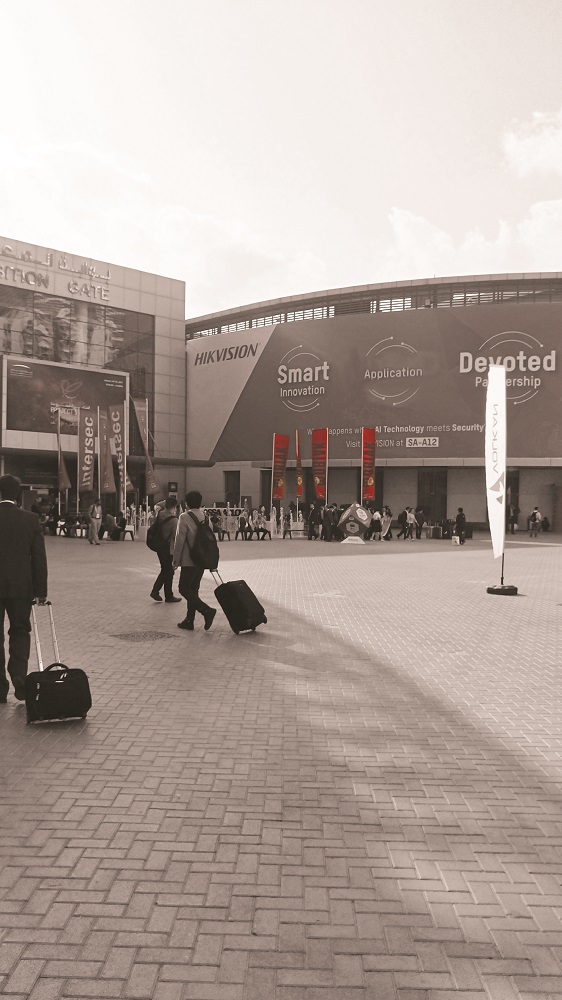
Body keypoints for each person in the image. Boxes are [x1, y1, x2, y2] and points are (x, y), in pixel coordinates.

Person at [0, 474, 48, 702]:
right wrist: (40, 592)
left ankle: (0, 688)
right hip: (21, 587)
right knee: (20, 630)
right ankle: (19, 676)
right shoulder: (31, 519)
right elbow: (39, 558)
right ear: (18, 495)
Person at [172, 490, 217, 631]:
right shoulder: (206, 518)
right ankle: (189, 620)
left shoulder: (184, 517)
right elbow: (211, 541)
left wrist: (175, 559)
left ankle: (206, 610)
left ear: (186, 504)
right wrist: (212, 561)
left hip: (189, 560)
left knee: (183, 588)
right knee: (193, 590)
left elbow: (179, 540)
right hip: (201, 560)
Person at [150, 497, 182, 603]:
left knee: (166, 570)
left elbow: (157, 505)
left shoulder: (160, 514)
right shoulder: (174, 521)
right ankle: (159, 592)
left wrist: (165, 502)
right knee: (167, 571)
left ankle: (166, 594)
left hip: (160, 546)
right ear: (174, 507)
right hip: (168, 549)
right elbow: (176, 537)